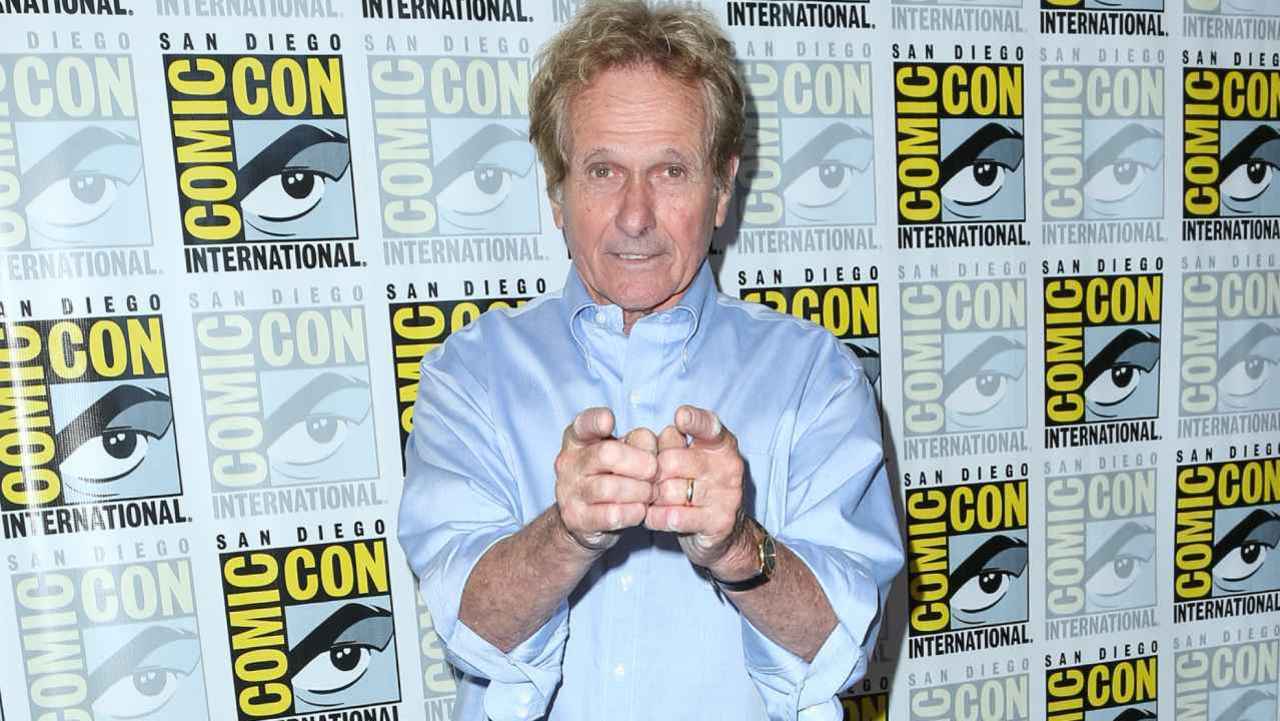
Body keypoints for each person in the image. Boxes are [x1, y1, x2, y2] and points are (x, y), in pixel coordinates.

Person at [397, 2, 903, 719]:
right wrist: (565, 534)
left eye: (670, 170)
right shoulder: (470, 375)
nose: (635, 216)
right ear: (557, 193)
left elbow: (842, 650)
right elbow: (471, 627)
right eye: (603, 171)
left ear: (722, 189)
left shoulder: (814, 377)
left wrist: (737, 547)